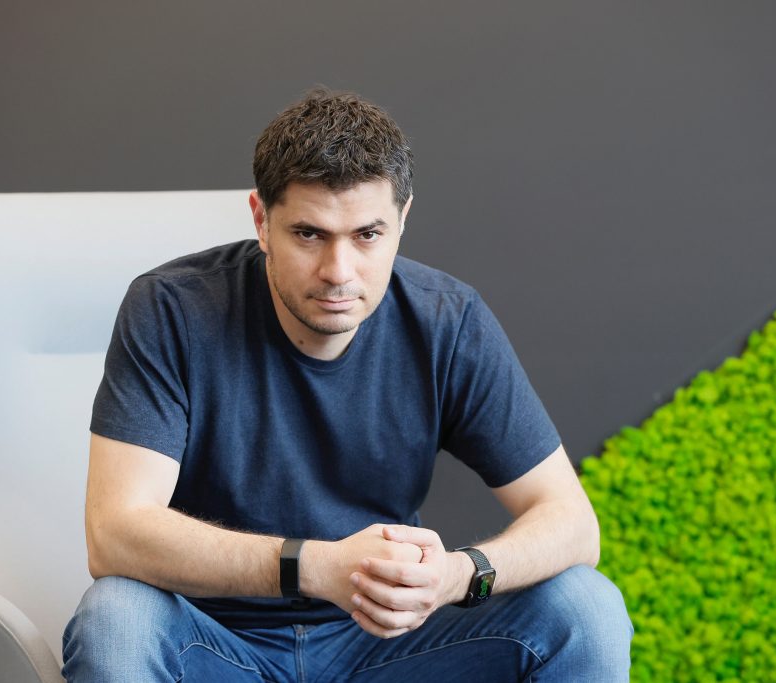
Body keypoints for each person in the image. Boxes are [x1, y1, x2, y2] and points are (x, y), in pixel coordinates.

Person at [62, 89, 633, 681]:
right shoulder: (171, 309)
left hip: (391, 648)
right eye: (309, 234)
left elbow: (572, 524)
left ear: (402, 221)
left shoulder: (447, 321)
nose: (338, 272)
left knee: (585, 607)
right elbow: (114, 536)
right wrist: (315, 567)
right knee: (116, 618)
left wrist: (457, 575)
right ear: (261, 221)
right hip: (216, 645)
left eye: (367, 235)